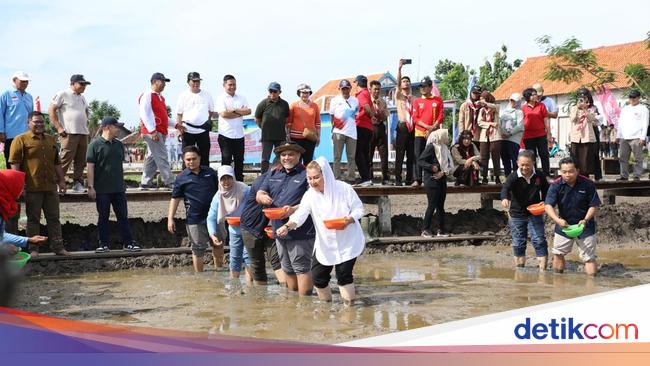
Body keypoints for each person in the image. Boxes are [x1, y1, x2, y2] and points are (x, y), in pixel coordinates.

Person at [276, 157, 365, 303]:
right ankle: (326, 307)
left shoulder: (343, 188)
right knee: (318, 277)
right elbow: (301, 213)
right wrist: (287, 226)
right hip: (325, 242)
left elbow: (359, 209)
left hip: (348, 240)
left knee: (343, 276)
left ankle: (349, 311)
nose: (312, 182)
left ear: (326, 175)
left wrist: (348, 220)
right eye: (309, 178)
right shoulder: (310, 195)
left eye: (316, 177)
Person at [256, 141, 315, 296]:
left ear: (299, 156)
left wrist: (293, 209)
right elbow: (260, 193)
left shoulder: (306, 174)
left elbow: (313, 201)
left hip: (301, 229)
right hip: (278, 227)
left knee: (301, 267)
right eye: (283, 155)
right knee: (287, 267)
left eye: (291, 154)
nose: (286, 157)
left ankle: (304, 302)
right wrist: (264, 198)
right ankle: (293, 299)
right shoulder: (274, 173)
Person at [8, 111, 69, 257]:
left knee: (54, 218)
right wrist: (19, 185)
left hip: (50, 187)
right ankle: (33, 249)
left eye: (41, 122)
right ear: (28, 123)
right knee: (33, 219)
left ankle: (58, 247)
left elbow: (57, 163)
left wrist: (62, 181)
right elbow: (14, 163)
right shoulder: (20, 139)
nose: (39, 124)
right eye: (36, 122)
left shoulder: (51, 140)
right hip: (32, 187)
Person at [86, 117, 141, 253]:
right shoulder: (94, 145)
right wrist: (91, 186)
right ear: (107, 127)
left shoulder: (118, 144)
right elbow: (90, 167)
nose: (118, 129)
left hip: (118, 189)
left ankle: (128, 243)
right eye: (116, 126)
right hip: (102, 189)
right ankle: (103, 244)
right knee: (103, 217)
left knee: (123, 217)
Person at [545, 157, 601, 275]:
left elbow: (594, 205)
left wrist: (585, 220)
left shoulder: (588, 184)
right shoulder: (556, 185)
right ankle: (557, 282)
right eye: (564, 172)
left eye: (571, 171)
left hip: (585, 226)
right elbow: (548, 206)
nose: (567, 175)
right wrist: (557, 220)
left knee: (589, 257)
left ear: (577, 171)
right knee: (558, 253)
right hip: (564, 225)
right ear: (560, 171)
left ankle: (592, 285)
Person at [167, 146, 219, 272]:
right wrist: (170, 218)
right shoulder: (181, 178)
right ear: (184, 160)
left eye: (194, 158)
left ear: (200, 158)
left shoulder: (211, 173)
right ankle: (199, 277)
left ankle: (219, 274)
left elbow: (221, 193)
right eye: (188, 159)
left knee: (218, 245)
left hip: (215, 217)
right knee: (198, 249)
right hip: (194, 219)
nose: (191, 162)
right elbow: (175, 198)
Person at [500, 150, 549, 270]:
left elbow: (547, 191)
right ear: (517, 163)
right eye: (522, 164)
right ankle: (520, 270)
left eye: (527, 164)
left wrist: (546, 202)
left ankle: (543, 271)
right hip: (517, 214)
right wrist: (504, 198)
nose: (524, 167)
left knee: (539, 239)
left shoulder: (539, 175)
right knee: (518, 241)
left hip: (535, 212)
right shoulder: (513, 176)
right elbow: (505, 189)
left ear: (533, 163)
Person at [239, 164, 285, 285]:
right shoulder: (262, 181)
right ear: (276, 169)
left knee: (277, 259)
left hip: (270, 226)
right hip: (251, 226)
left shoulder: (284, 179)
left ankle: (288, 293)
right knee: (257, 263)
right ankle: (260, 296)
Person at [207, 165, 252, 281]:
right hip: (234, 229)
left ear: (233, 177)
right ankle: (234, 285)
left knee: (249, 256)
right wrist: (213, 235)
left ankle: (250, 285)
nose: (226, 181)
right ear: (219, 180)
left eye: (229, 177)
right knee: (235, 257)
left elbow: (253, 208)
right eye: (223, 178)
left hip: (249, 229)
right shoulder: (218, 196)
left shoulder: (245, 190)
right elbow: (211, 218)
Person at [48, 74, 91, 193]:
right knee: (65, 158)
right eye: (81, 84)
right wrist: (59, 128)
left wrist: (86, 121)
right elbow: (51, 110)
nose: (84, 87)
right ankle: (56, 182)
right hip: (69, 132)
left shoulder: (82, 97)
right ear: (72, 83)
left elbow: (86, 111)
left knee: (81, 160)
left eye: (85, 84)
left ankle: (78, 183)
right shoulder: (63, 94)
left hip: (82, 132)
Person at [139, 72, 175, 189]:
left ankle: (145, 182)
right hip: (154, 131)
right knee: (161, 155)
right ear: (154, 82)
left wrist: (176, 125)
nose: (164, 84)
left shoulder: (160, 97)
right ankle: (169, 181)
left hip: (160, 130)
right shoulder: (147, 95)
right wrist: (152, 131)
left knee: (152, 157)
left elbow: (164, 116)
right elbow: (144, 113)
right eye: (162, 81)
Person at [0, 169, 47, 254]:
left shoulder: (3, 205)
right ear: (10, 186)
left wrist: (29, 240)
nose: (23, 191)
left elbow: (1, 236)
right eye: (22, 186)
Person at [418, 129, 453, 237]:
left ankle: (441, 230)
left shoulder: (444, 148)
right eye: (445, 135)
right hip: (431, 180)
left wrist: (443, 172)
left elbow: (448, 164)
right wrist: (431, 167)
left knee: (440, 206)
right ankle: (425, 229)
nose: (446, 137)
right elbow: (420, 161)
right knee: (432, 205)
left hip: (442, 179)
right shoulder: (431, 147)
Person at [216, 74, 250, 182]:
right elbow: (224, 114)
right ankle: (224, 184)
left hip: (239, 135)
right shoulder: (221, 98)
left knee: (239, 161)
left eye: (234, 84)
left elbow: (248, 111)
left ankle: (239, 185)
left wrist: (233, 111)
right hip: (225, 135)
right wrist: (240, 112)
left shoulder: (241, 97)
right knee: (226, 161)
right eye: (230, 84)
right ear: (224, 85)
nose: (232, 87)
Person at [175, 72, 214, 166]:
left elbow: (211, 111)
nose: (196, 83)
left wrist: (203, 121)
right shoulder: (183, 95)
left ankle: (204, 179)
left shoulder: (207, 94)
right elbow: (179, 114)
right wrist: (179, 129)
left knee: (204, 157)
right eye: (194, 81)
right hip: (187, 130)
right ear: (188, 82)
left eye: (198, 81)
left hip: (203, 130)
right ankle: (187, 179)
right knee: (187, 157)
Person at [412, 76, 444, 186]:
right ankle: (417, 179)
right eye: (421, 86)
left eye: (425, 86)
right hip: (420, 132)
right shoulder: (417, 101)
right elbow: (415, 118)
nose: (422, 88)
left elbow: (441, 117)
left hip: (434, 133)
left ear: (430, 87)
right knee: (417, 155)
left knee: (432, 156)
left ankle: (429, 178)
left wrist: (432, 128)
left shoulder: (438, 100)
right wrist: (426, 127)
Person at [255, 82, 290, 173]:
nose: (272, 93)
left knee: (282, 157)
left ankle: (280, 174)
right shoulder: (263, 103)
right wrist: (263, 127)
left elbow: (286, 119)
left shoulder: (285, 104)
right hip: (267, 137)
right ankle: (263, 176)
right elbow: (257, 118)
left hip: (280, 136)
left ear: (279, 92)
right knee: (265, 158)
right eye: (271, 91)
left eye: (275, 91)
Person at [329, 79, 359, 183]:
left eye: (347, 88)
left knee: (351, 157)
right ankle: (336, 178)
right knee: (337, 157)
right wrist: (336, 127)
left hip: (352, 133)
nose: (345, 91)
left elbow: (355, 116)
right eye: (343, 89)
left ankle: (351, 178)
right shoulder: (334, 100)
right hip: (339, 132)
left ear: (350, 88)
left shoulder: (355, 100)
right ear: (339, 89)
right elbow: (331, 116)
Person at [616, 89, 649, 181]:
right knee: (623, 157)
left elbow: (645, 123)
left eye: (634, 97)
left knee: (638, 158)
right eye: (630, 97)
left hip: (637, 137)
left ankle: (636, 175)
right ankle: (624, 176)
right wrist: (618, 135)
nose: (632, 99)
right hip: (624, 137)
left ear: (638, 98)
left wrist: (643, 137)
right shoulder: (625, 109)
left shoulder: (643, 109)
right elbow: (620, 123)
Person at [0, 71, 33, 163]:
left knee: (26, 161)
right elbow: (0, 113)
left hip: (26, 135)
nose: (25, 83)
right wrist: (1, 132)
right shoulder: (6, 94)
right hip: (10, 135)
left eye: (26, 81)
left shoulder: (29, 97)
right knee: (12, 161)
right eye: (22, 81)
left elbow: (31, 116)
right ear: (14, 80)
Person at [392, 60, 416, 186]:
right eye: (404, 81)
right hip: (402, 127)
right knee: (400, 154)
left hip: (413, 127)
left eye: (407, 81)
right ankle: (398, 179)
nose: (405, 83)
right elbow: (397, 83)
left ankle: (409, 178)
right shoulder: (399, 96)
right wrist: (400, 68)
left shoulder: (414, 99)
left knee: (411, 155)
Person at [568, 88, 599, 177]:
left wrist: (585, 109)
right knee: (575, 158)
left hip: (587, 136)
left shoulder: (592, 108)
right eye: (580, 98)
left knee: (586, 159)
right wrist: (578, 108)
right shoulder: (574, 108)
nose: (582, 100)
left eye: (584, 98)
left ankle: (586, 176)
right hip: (576, 137)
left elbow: (592, 119)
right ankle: (575, 175)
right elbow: (572, 119)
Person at [521, 87, 551, 176]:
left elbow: (546, 120)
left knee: (544, 154)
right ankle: (533, 174)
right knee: (531, 156)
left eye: (536, 94)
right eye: (533, 94)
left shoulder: (541, 106)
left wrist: (549, 133)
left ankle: (546, 174)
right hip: (528, 135)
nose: (536, 96)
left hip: (541, 134)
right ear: (528, 96)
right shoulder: (523, 108)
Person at [287, 83, 320, 165]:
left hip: (310, 137)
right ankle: (296, 177)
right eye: (303, 92)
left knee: (308, 160)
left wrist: (318, 137)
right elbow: (288, 123)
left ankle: (307, 177)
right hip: (295, 138)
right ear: (299, 93)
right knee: (296, 160)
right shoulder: (293, 106)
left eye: (307, 93)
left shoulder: (315, 106)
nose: (305, 95)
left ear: (309, 94)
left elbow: (318, 123)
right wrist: (287, 135)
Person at [353, 75, 375, 187]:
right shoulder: (367, 93)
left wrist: (371, 116)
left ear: (357, 83)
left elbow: (366, 107)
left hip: (361, 125)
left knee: (357, 153)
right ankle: (368, 177)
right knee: (365, 153)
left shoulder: (361, 94)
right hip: (369, 127)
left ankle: (365, 177)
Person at [477, 91, 502, 184]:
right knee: (484, 157)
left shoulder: (496, 107)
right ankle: (484, 177)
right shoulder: (482, 110)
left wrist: (485, 103)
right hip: (484, 136)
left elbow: (494, 106)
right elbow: (479, 122)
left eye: (483, 99)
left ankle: (497, 177)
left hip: (495, 135)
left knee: (496, 156)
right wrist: (490, 123)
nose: (481, 101)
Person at [368, 80, 390, 185]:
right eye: (375, 89)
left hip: (381, 127)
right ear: (370, 89)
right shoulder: (367, 101)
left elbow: (386, 116)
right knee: (369, 154)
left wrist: (381, 111)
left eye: (378, 89)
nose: (377, 91)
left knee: (384, 154)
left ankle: (385, 177)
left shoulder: (383, 101)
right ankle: (369, 177)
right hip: (370, 127)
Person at [499, 93, 524, 176]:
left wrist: (510, 133)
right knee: (505, 158)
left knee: (514, 158)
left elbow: (520, 126)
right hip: (503, 138)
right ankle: (507, 176)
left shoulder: (519, 112)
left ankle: (516, 176)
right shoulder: (505, 111)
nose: (512, 102)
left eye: (514, 101)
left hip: (513, 138)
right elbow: (500, 122)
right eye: (511, 100)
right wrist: (502, 132)